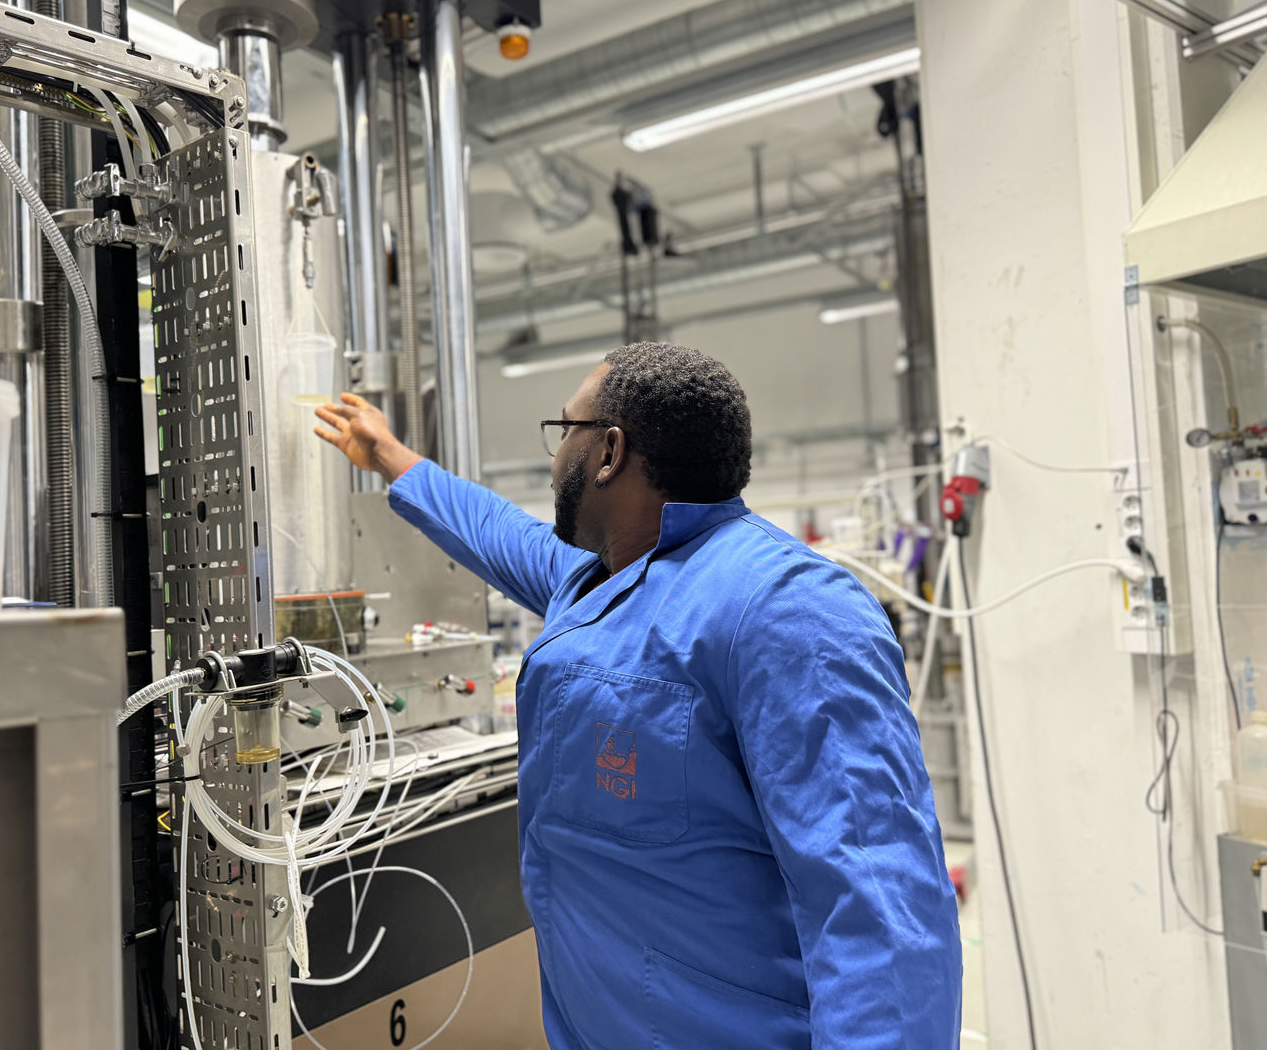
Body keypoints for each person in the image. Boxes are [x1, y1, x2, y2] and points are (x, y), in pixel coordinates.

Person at [314, 342, 961, 1049]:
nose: (554, 457)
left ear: (608, 452)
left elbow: (882, 912)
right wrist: (391, 457)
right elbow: (499, 532)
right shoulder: (595, 579)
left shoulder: (786, 608)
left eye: (565, 430)